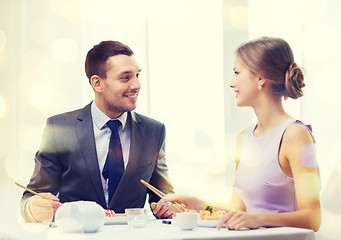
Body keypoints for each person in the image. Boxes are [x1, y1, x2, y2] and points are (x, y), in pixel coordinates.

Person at [159, 36, 321, 231]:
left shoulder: (295, 135)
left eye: (237, 72)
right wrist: (193, 203)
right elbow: (238, 210)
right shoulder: (243, 138)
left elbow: (313, 218)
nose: (231, 83)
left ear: (260, 78)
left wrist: (257, 219)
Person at [20, 40, 174, 223]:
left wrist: (167, 204)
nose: (137, 85)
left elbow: (162, 195)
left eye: (137, 75)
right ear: (97, 83)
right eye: (125, 77)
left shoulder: (153, 131)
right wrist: (33, 207)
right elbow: (32, 197)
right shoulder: (60, 128)